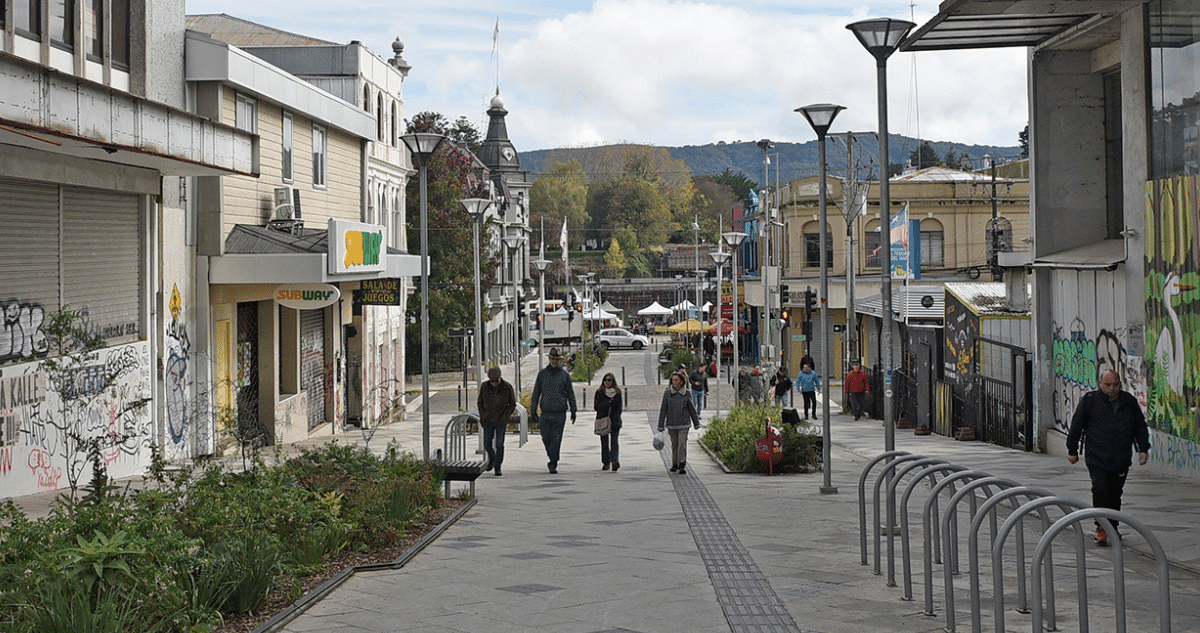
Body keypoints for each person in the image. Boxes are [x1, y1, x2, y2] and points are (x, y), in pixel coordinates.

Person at [1066, 370, 1150, 545]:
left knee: (1115, 494)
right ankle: (1102, 527)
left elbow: (1140, 427)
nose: (1112, 388)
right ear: (1101, 384)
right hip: (1097, 457)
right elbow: (1077, 425)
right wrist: (1072, 449)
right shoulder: (1090, 401)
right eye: (1108, 385)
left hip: (1121, 457)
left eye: (1116, 384)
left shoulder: (1128, 402)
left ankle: (1112, 527)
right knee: (1100, 490)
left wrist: (1143, 449)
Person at [531, 347, 578, 474]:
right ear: (549, 359)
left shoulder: (564, 375)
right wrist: (533, 409)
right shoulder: (542, 374)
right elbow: (536, 393)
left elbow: (570, 393)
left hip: (559, 413)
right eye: (552, 359)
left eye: (556, 359)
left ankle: (553, 463)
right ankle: (552, 457)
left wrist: (574, 410)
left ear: (559, 361)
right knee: (546, 438)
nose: (554, 361)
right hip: (545, 412)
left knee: (556, 439)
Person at [477, 366, 516, 476]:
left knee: (499, 444)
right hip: (488, 419)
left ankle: (497, 466)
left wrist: (506, 415)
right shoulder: (484, 386)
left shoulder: (507, 387)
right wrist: (483, 414)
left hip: (500, 420)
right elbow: (480, 402)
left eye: (496, 381)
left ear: (500, 378)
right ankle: (492, 459)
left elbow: (512, 404)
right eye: (492, 381)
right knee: (487, 443)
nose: (494, 383)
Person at [658, 372, 700, 474]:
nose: (674, 382)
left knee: (682, 444)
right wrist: (660, 425)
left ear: (681, 382)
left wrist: (696, 423)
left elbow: (692, 409)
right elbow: (663, 409)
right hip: (672, 424)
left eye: (676, 380)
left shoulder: (687, 393)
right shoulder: (668, 393)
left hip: (684, 423)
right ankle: (674, 463)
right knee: (674, 444)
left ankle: (682, 464)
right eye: (673, 380)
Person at [594, 373, 623, 471]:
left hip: (614, 421)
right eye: (605, 380)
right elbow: (596, 407)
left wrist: (617, 418)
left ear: (613, 381)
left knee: (614, 441)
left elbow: (619, 408)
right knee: (604, 442)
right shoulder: (599, 392)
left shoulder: (617, 393)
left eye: (609, 380)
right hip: (603, 420)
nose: (607, 382)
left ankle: (614, 460)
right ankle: (606, 462)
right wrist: (608, 404)